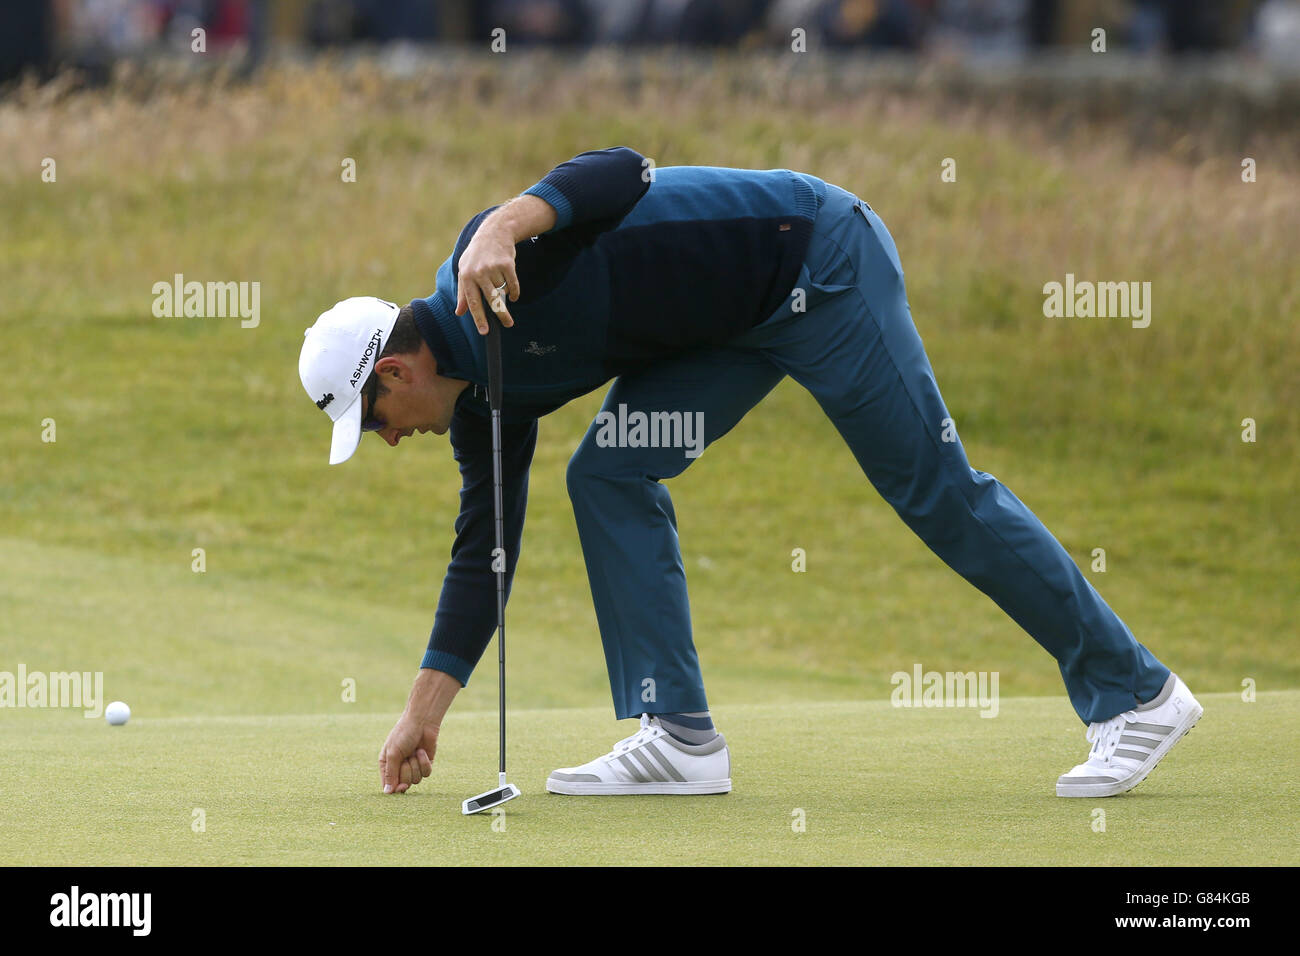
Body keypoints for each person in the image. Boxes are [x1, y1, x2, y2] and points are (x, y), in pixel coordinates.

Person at [298, 147, 1202, 800]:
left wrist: (503, 221)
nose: (382, 440)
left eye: (370, 422)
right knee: (609, 474)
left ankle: (1137, 694)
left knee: (933, 488)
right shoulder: (483, 406)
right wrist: (426, 711)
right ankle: (680, 737)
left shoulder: (490, 267)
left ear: (394, 374)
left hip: (818, 261)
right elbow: (482, 555)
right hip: (723, 331)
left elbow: (622, 170)